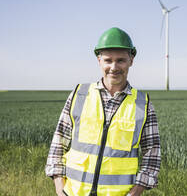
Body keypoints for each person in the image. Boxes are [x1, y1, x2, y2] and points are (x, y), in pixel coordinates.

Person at [45, 27, 161, 196]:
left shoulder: (143, 104)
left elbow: (152, 154)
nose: (114, 67)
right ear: (99, 60)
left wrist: (135, 192)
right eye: (108, 60)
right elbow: (58, 142)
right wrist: (59, 188)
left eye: (121, 60)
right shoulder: (79, 94)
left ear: (131, 60)